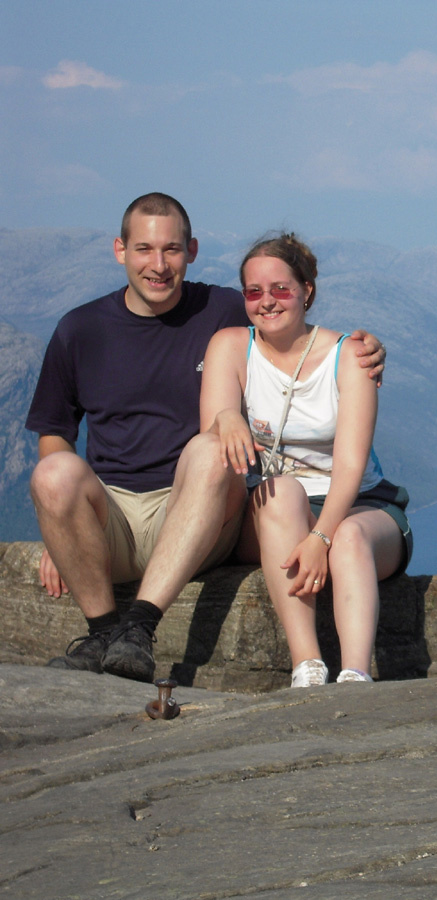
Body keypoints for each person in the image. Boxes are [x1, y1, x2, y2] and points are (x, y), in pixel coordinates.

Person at [25, 193, 386, 682]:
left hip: (199, 511)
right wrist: (61, 528)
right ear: (120, 250)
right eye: (144, 250)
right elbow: (54, 435)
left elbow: (285, 321)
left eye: (171, 249)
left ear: (191, 250)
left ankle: (140, 627)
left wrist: (366, 349)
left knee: (212, 447)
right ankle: (103, 635)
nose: (158, 265)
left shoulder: (222, 310)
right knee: (51, 473)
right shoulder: (80, 330)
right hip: (111, 510)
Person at [201, 232, 411, 688]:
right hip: (278, 509)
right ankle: (308, 666)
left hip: (360, 504)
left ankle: (356, 676)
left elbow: (351, 465)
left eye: (281, 289)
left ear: (307, 291)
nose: (267, 302)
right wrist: (225, 419)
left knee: (351, 538)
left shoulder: (351, 356)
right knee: (280, 493)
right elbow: (210, 440)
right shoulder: (231, 347)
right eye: (254, 292)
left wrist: (320, 537)